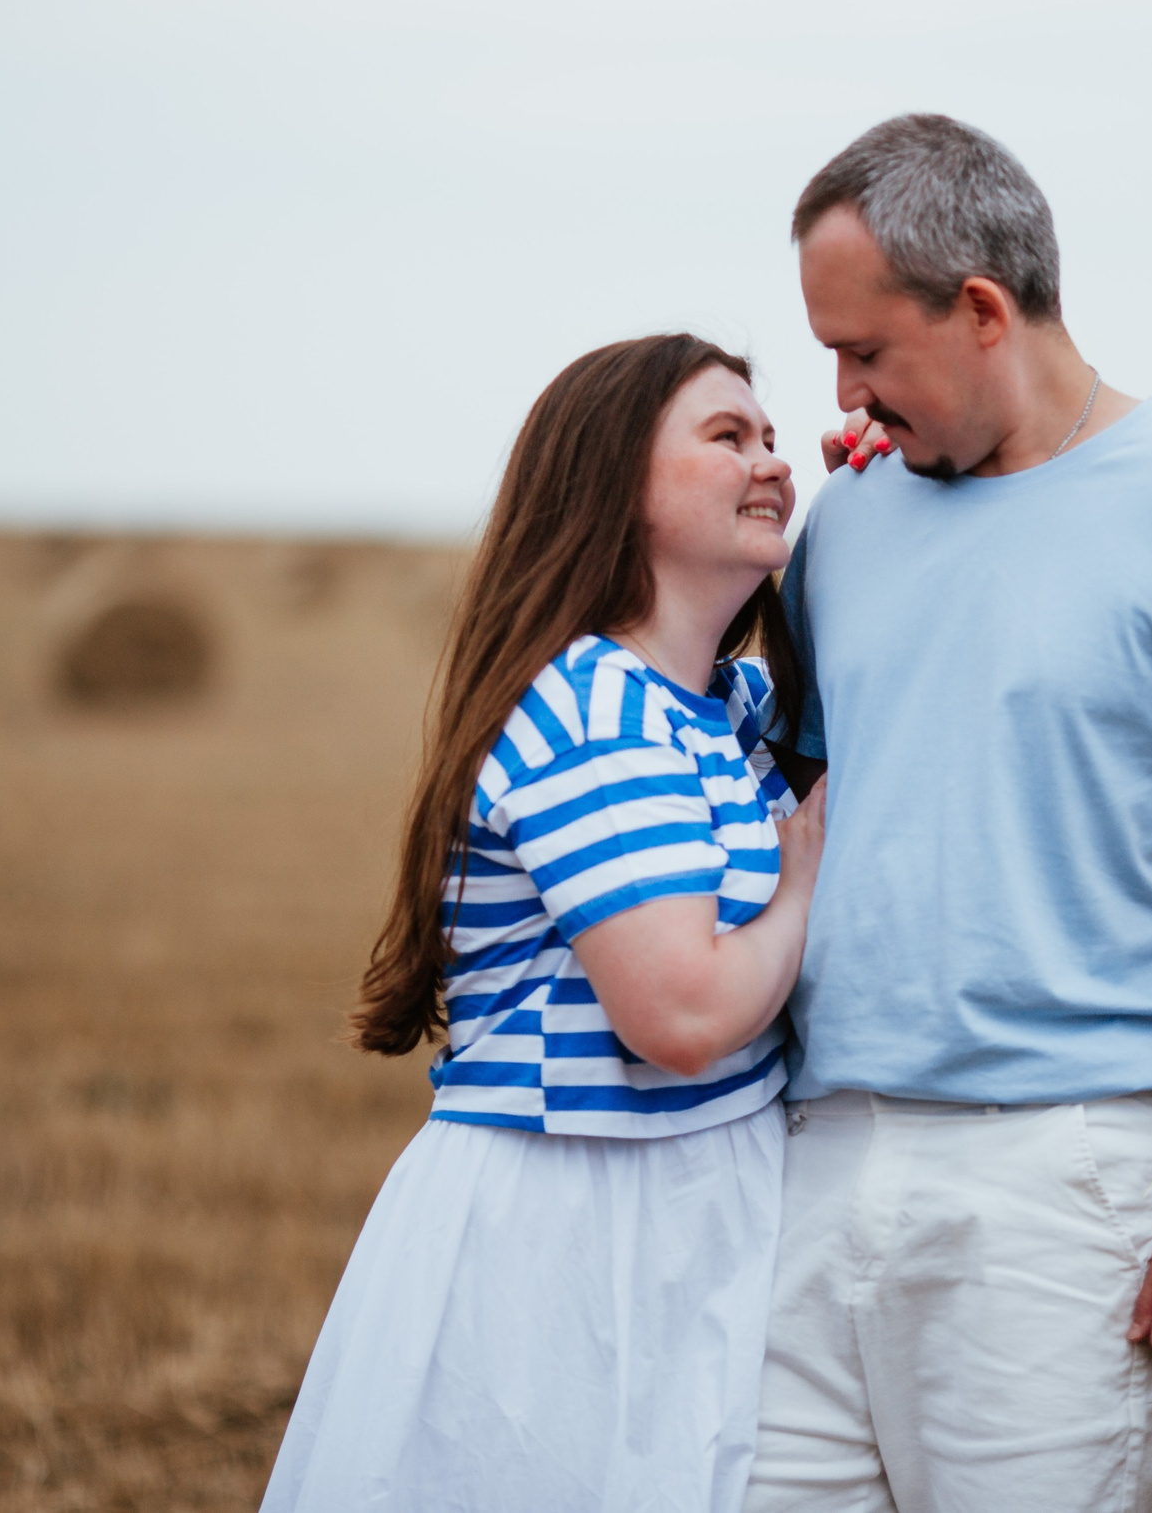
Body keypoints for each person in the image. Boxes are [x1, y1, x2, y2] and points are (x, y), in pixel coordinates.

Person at [746, 116, 1152, 1513]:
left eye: (864, 351)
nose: (839, 391)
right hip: (818, 1162)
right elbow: (796, 801)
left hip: (1056, 1178)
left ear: (979, 310)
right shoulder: (844, 526)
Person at [261, 334, 828, 1513]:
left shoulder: (726, 709)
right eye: (727, 438)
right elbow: (678, 1016)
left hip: (696, 1204)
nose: (773, 461)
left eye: (771, 436)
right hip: (571, 1237)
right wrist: (805, 883)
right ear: (613, 484)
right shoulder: (590, 711)